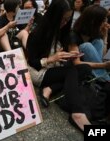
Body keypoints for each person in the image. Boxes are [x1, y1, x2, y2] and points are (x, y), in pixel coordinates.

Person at [26, 0, 91, 131]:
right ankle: (77, 113)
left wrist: (65, 55)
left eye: (68, 20)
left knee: (85, 68)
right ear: (54, 17)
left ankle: (49, 88)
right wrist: (52, 59)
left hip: (53, 67)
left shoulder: (60, 32)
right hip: (38, 72)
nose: (65, 23)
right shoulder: (36, 34)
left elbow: (58, 54)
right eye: (63, 19)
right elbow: (33, 63)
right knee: (71, 71)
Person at [69, 5, 110, 80]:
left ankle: (103, 79)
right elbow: (76, 63)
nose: (105, 23)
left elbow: (101, 58)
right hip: (76, 69)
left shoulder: (94, 35)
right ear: (93, 21)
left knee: (99, 41)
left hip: (94, 71)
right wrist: (104, 65)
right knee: (86, 46)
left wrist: (105, 35)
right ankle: (106, 79)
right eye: (103, 21)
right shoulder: (73, 35)